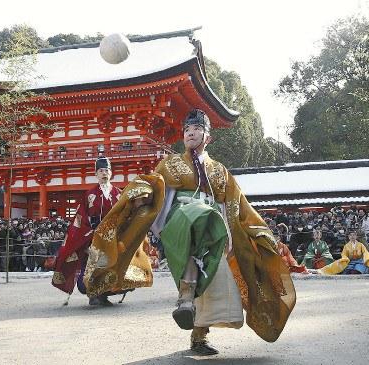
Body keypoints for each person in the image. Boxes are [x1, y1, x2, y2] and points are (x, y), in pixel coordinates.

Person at [84, 109, 296, 355]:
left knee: (213, 281)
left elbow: (239, 205)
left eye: (196, 129)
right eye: (187, 130)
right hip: (180, 220)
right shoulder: (171, 163)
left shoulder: (219, 171)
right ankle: (186, 296)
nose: (190, 133)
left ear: (208, 137)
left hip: (213, 228)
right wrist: (142, 193)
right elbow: (152, 183)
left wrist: (258, 232)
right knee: (197, 215)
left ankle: (197, 333)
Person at [52, 156, 148, 306]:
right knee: (90, 273)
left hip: (114, 238)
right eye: (101, 171)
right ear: (96, 174)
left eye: (107, 170)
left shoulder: (119, 193)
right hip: (93, 238)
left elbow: (127, 214)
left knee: (116, 269)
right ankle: (93, 294)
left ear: (111, 173)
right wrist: (88, 234)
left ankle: (103, 295)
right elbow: (80, 218)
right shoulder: (89, 194)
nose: (104, 173)